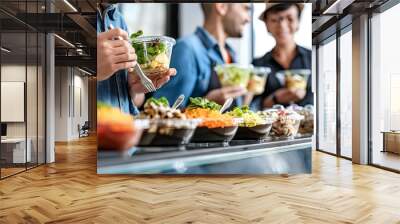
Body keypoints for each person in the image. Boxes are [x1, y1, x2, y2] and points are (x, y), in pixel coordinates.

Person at [153, 3, 251, 106]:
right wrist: (205, 103)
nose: (248, 18)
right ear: (221, 6)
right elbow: (161, 111)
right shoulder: (187, 49)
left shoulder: (231, 53)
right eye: (245, 8)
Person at [97, 3, 176, 115]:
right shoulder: (69, 13)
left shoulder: (118, 19)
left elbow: (135, 101)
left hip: (125, 127)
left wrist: (133, 89)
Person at [252, 3, 312, 109]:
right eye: (275, 20)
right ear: (267, 25)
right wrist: (276, 98)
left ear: (298, 22)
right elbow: (253, 107)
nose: (282, 25)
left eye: (290, 18)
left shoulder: (314, 58)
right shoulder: (258, 65)